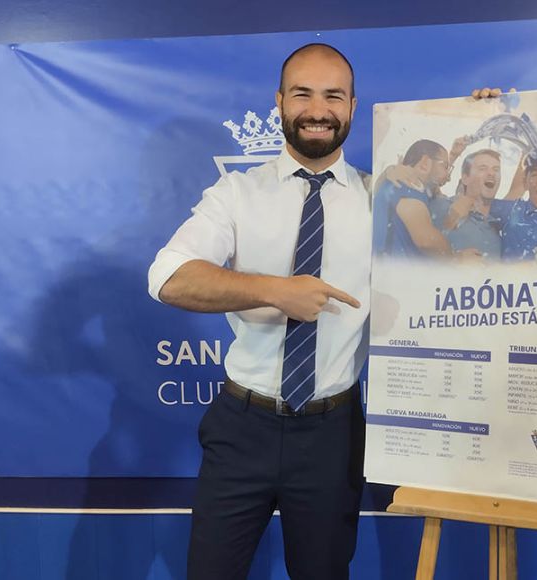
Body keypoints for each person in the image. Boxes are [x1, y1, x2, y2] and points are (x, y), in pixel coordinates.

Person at [148, 43, 369, 580]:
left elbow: (469, 218)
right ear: (279, 102)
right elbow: (168, 277)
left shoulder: (381, 198)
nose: (318, 110)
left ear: (353, 107)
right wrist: (276, 290)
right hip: (241, 428)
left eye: (333, 96)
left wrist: (481, 119)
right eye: (303, 94)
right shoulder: (236, 194)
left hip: (332, 435)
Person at [372, 139, 455, 257]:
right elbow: (426, 241)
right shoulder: (407, 187)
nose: (448, 176)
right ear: (425, 163)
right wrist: (457, 257)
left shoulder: (402, 185)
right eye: (445, 166)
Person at [435, 148, 505, 259]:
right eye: (483, 168)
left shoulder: (500, 224)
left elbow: (517, 188)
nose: (491, 173)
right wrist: (455, 259)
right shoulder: (442, 205)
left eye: (496, 169)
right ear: (465, 178)